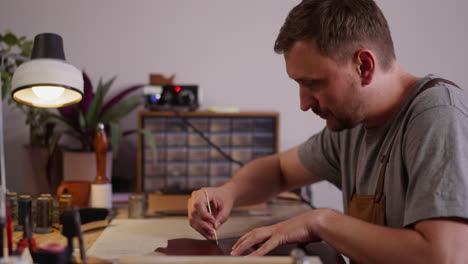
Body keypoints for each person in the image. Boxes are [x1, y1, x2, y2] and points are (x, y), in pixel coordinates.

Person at [188, 0, 468, 263]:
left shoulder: (437, 114)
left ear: (364, 66)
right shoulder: (353, 125)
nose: (303, 103)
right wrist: (228, 192)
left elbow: (444, 256)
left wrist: (320, 222)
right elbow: (279, 171)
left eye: (314, 83)